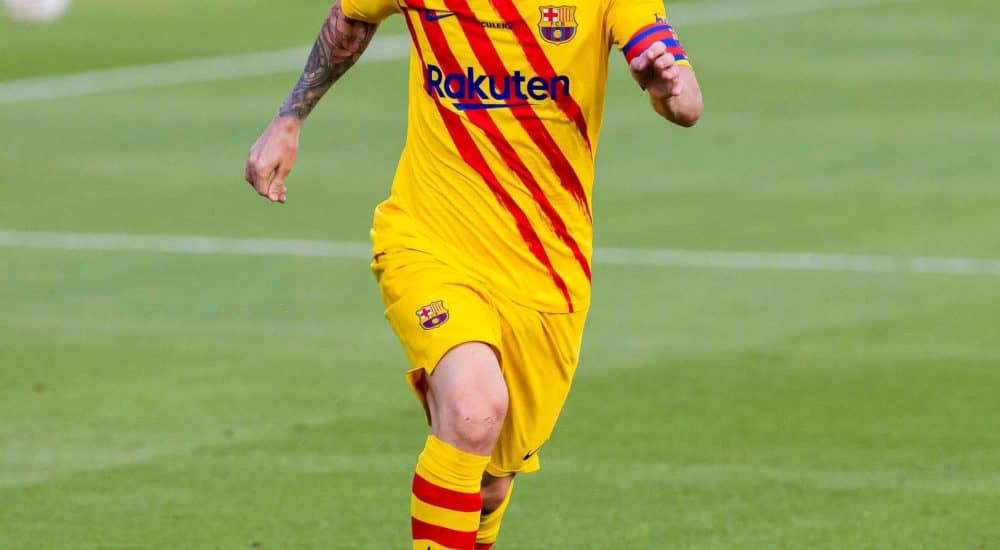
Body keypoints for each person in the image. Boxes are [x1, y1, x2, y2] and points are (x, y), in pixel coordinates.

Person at [245, 1, 702, 548]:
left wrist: (666, 88)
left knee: (488, 485)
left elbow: (688, 104)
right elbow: (353, 17)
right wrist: (289, 118)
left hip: (546, 271)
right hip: (428, 239)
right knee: (472, 410)